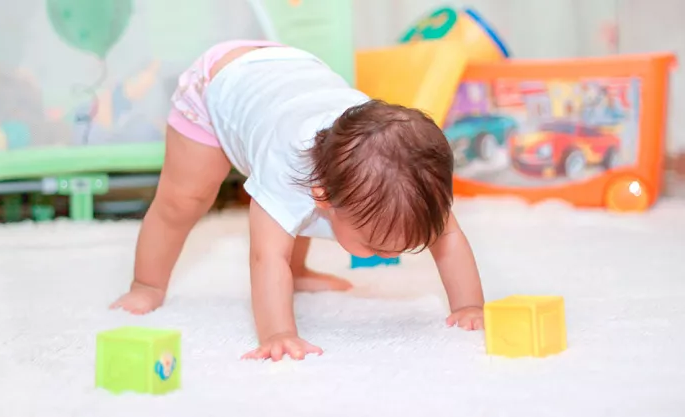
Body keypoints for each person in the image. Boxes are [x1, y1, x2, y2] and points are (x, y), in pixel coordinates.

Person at [110, 40, 484, 361]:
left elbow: (449, 238)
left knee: (302, 212)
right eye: (375, 245)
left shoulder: (409, 179)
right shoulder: (282, 169)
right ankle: (146, 284)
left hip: (292, 72)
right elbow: (265, 257)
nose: (391, 256)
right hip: (219, 85)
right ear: (323, 197)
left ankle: (300, 272)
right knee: (184, 199)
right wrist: (277, 334)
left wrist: (469, 307)